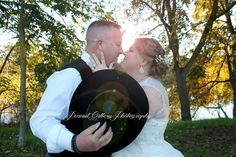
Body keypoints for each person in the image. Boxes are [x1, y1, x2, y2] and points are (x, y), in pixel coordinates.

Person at [29, 20, 123, 155]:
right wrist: (74, 142)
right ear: (100, 44)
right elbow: (41, 120)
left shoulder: (110, 75)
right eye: (118, 44)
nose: (121, 51)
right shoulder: (72, 75)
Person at [90, 37, 184, 157]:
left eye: (131, 50)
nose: (123, 52)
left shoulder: (150, 92)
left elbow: (118, 124)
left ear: (143, 61)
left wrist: (103, 80)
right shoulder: (138, 87)